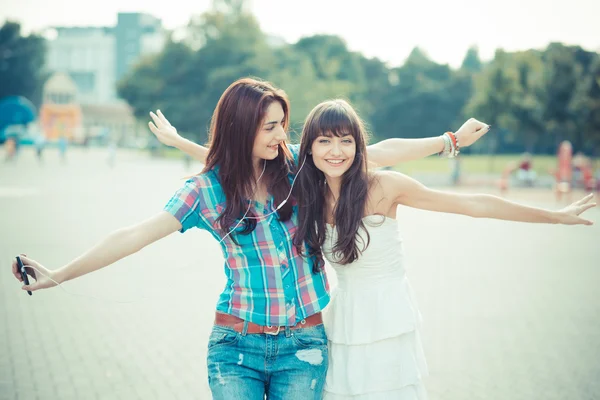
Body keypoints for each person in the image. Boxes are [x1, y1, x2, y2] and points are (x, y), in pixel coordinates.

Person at [13, 78, 490, 400]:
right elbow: (136, 235)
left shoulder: (299, 171)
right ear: (243, 129)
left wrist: (447, 140)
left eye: (284, 123)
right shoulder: (205, 191)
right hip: (233, 347)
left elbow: (376, 152)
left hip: (304, 345)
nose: (284, 135)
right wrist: (59, 274)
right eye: (271, 126)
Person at [290, 99, 595, 399]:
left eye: (346, 141)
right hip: (342, 320)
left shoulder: (383, 187)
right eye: (324, 141)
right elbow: (382, 150)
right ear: (310, 148)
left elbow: (474, 205)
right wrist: (450, 140)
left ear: (358, 147)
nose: (336, 150)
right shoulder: (308, 192)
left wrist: (553, 217)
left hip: (387, 318)